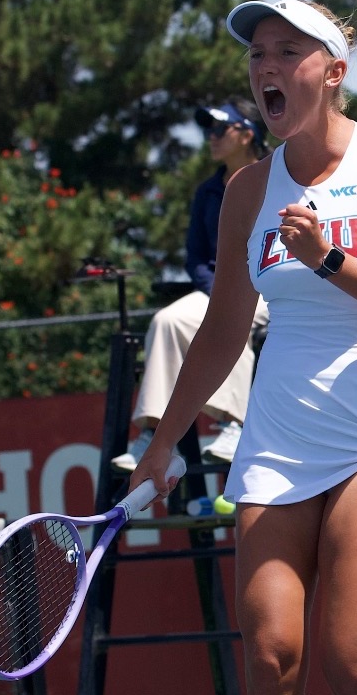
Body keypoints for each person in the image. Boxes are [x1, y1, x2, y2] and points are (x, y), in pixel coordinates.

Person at [128, 0, 357, 695]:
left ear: (333, 70)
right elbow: (223, 328)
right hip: (280, 433)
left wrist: (327, 258)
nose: (267, 68)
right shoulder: (247, 191)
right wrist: (163, 442)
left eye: (287, 52)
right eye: (257, 55)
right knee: (272, 659)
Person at [111, 97, 272, 472]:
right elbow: (196, 259)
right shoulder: (207, 192)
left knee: (230, 319)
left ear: (246, 135)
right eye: (208, 130)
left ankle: (235, 426)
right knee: (167, 320)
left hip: (272, 289)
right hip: (217, 290)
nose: (210, 137)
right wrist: (220, 290)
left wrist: (237, 295)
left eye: (219, 129)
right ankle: (156, 436)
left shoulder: (281, 175)